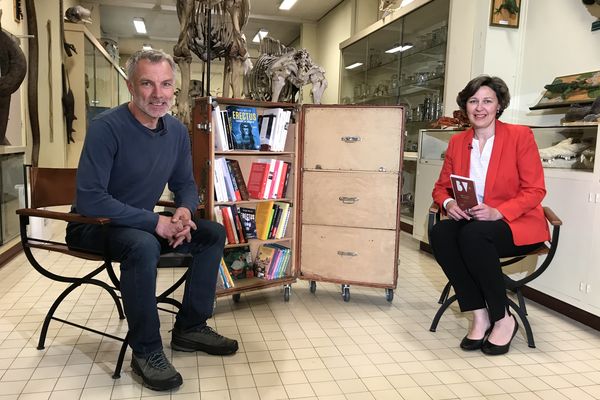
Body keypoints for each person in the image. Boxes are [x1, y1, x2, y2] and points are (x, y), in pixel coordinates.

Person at [66, 49, 238, 391]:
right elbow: (91, 198)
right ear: (131, 86)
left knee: (211, 233)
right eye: (147, 83)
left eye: (165, 84)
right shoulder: (106, 129)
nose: (158, 94)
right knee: (143, 244)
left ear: (174, 88)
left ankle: (190, 327)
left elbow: (185, 184)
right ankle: (145, 351)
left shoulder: (175, 131)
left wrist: (184, 212)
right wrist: (156, 223)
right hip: (92, 225)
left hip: (138, 224)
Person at [430, 75, 550, 355]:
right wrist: (448, 204)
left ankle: (502, 319)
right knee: (441, 233)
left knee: (473, 235)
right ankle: (479, 314)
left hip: (513, 222)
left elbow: (535, 190)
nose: (480, 107)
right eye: (473, 101)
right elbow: (441, 187)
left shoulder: (520, 136)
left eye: (487, 101)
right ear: (465, 106)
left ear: (499, 106)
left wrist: (498, 212)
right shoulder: (459, 142)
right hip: (473, 222)